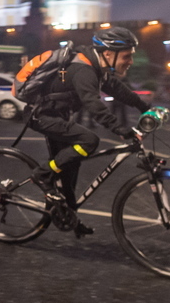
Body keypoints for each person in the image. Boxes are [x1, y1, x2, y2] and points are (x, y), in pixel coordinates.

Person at [28, 26, 150, 236]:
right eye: (127, 56)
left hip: (59, 116)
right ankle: (43, 175)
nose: (130, 61)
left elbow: (118, 90)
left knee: (70, 168)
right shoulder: (84, 70)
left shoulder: (97, 68)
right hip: (41, 116)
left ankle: (70, 217)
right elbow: (93, 103)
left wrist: (145, 107)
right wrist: (120, 128)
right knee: (89, 140)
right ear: (109, 54)